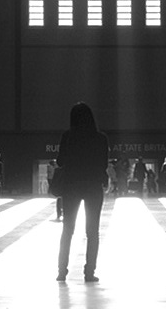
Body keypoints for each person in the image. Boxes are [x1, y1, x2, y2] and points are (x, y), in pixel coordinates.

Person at [56, 102, 108, 282]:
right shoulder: (101, 138)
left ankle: (62, 271)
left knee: (67, 230)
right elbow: (103, 164)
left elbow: (60, 161)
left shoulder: (68, 136)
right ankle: (89, 272)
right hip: (93, 186)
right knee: (92, 231)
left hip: (71, 186)